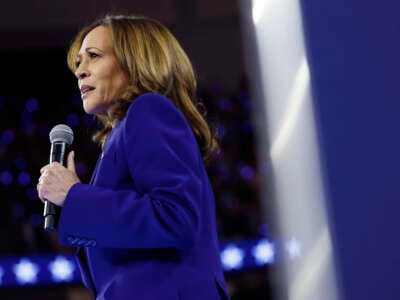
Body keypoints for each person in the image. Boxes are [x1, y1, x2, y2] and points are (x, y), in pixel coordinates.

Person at [37, 15, 229, 300]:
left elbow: (176, 217)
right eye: (79, 62)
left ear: (135, 62)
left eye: (94, 56)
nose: (80, 71)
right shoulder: (120, 137)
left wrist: (75, 196)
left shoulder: (148, 110)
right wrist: (77, 199)